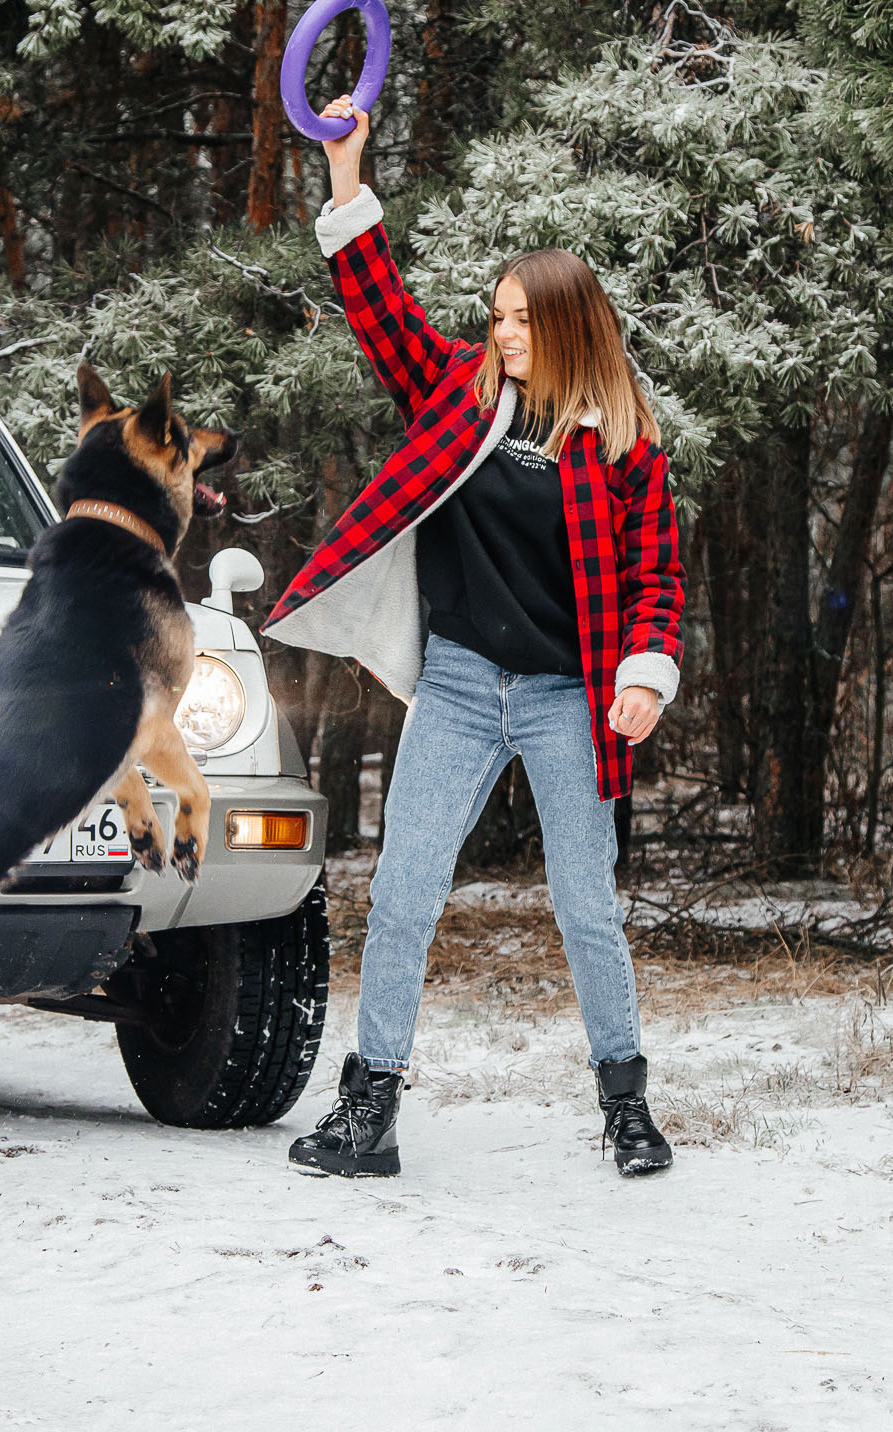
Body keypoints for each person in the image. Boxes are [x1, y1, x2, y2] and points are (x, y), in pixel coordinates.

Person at [263, 93, 685, 1179]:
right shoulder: (460, 391)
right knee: (403, 892)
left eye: (523, 320)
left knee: (585, 904)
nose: (503, 334)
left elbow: (655, 580)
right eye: (497, 316)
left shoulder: (625, 446)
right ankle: (370, 1113)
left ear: (570, 327)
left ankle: (626, 1106)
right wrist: (346, 174)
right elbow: (380, 310)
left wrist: (645, 674)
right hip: (457, 682)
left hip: (568, 696)